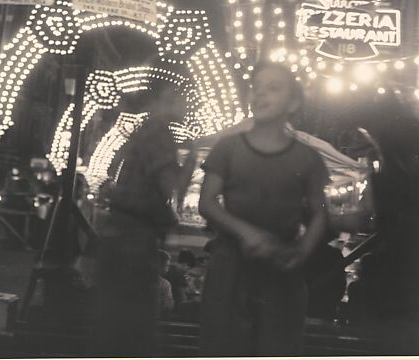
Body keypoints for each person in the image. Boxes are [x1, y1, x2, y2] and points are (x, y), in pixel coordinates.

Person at [198, 61, 329, 357]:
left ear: (293, 102)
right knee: (223, 344)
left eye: (273, 88)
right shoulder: (227, 147)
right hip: (229, 264)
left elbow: (320, 212)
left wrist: (301, 252)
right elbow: (206, 202)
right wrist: (247, 233)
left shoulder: (308, 159)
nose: (260, 95)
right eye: (256, 88)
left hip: (282, 269)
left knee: (276, 345)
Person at [89, 82, 185, 357]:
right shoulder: (159, 134)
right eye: (175, 97)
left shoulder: (143, 132)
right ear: (160, 101)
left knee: (113, 318)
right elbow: (171, 186)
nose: (182, 104)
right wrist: (189, 166)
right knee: (134, 321)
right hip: (137, 235)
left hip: (120, 233)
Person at [157, 249, 175, 319]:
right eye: (167, 265)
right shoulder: (165, 284)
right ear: (159, 265)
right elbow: (168, 306)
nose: (168, 268)